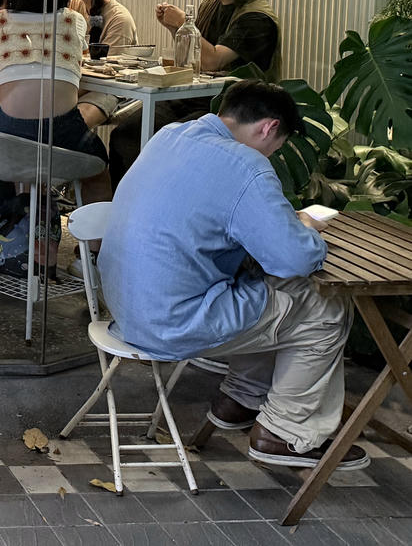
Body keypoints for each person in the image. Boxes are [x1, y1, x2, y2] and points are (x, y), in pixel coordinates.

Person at [100, 81, 365, 472]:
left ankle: (240, 399)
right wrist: (306, 228)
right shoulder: (246, 165)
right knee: (325, 306)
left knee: (268, 291)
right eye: (277, 148)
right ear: (268, 128)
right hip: (171, 324)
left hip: (124, 307)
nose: (273, 156)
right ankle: (284, 433)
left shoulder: (170, 136)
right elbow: (293, 259)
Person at [110, 0, 281, 180]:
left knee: (173, 142)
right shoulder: (212, 4)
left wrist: (183, 22)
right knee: (127, 134)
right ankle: (127, 208)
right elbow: (197, 54)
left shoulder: (257, 19)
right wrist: (176, 29)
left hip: (231, 108)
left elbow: (213, 60)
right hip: (193, 98)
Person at [0, 0, 107, 271]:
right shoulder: (74, 21)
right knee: (99, 170)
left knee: (3, 126)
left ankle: (15, 223)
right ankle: (94, 257)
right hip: (61, 133)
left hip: (6, 138)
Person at [68, 0, 137, 131]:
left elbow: (109, 73)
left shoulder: (119, 18)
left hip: (112, 87)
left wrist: (65, 92)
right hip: (80, 82)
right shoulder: (75, 8)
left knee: (76, 123)